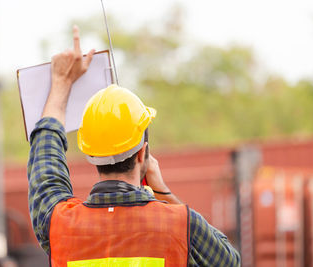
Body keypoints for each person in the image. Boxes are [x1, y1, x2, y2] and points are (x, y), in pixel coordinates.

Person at [27, 25, 240, 267]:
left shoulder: (59, 224)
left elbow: (45, 165)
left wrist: (61, 82)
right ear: (142, 154)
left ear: (91, 154)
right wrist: (162, 191)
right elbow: (229, 261)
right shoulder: (181, 225)